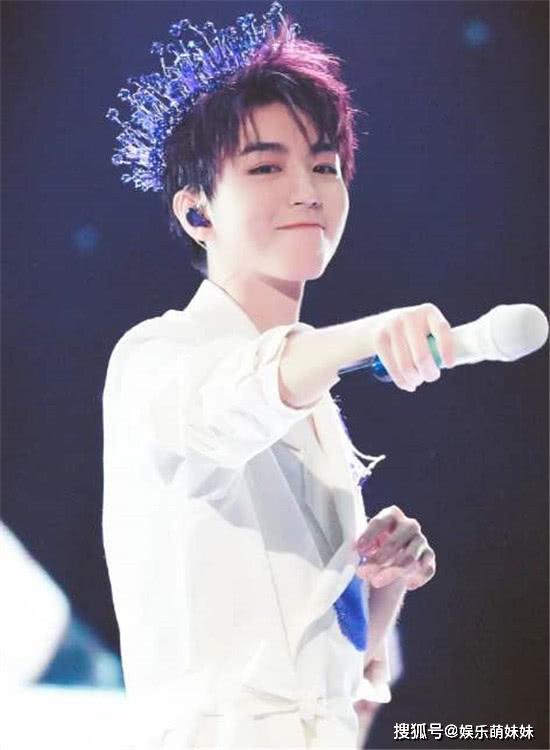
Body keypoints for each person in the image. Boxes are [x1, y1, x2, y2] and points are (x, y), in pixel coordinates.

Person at [103, 3, 455, 748]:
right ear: (197, 213)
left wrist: (384, 583)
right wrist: (368, 334)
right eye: (266, 166)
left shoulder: (318, 408)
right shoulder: (156, 357)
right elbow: (232, 405)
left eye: (324, 166)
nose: (307, 190)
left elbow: (340, 675)